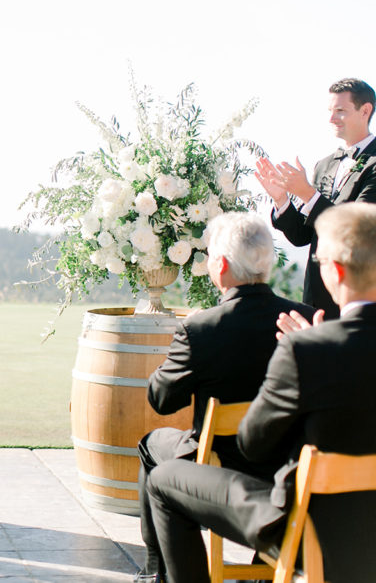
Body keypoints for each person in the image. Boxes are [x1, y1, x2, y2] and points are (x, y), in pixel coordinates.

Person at [145, 202, 376, 583]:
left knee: (163, 479)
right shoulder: (311, 342)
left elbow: (254, 442)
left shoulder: (308, 351)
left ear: (335, 271)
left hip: (310, 529)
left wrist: (308, 357)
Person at [133, 213, 313, 583]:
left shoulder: (200, 328)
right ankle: (261, 572)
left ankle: (155, 570)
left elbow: (161, 400)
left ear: (222, 265)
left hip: (219, 468)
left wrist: (182, 345)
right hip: (286, 468)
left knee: (152, 445)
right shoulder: (306, 319)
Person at [255, 78, 376, 319]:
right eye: (330, 111)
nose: (331, 119)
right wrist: (282, 201)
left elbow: (357, 230)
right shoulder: (324, 165)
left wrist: (307, 194)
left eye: (340, 111)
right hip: (317, 299)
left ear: (365, 111)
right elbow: (302, 237)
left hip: (361, 301)